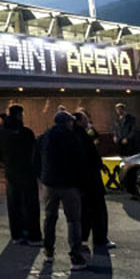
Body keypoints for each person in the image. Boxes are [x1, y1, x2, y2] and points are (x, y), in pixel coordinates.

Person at [40, 112, 89, 270]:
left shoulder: (45, 136)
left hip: (50, 183)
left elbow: (37, 157)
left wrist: (42, 176)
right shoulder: (72, 137)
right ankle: (75, 255)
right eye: (71, 121)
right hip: (69, 184)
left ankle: (48, 250)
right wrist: (82, 183)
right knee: (73, 220)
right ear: (67, 122)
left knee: (50, 217)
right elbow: (80, 161)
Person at [0, 106, 40, 244]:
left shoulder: (1, 134)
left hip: (11, 173)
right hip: (27, 173)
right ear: (20, 115)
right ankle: (33, 235)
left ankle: (17, 235)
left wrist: (7, 163)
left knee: (14, 205)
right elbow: (35, 153)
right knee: (30, 205)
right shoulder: (26, 133)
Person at [74, 112, 113, 251]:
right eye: (85, 119)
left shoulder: (73, 135)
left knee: (84, 211)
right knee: (98, 210)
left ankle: (83, 237)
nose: (88, 121)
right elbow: (92, 156)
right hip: (91, 179)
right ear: (79, 121)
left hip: (80, 181)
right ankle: (100, 238)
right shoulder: (84, 136)